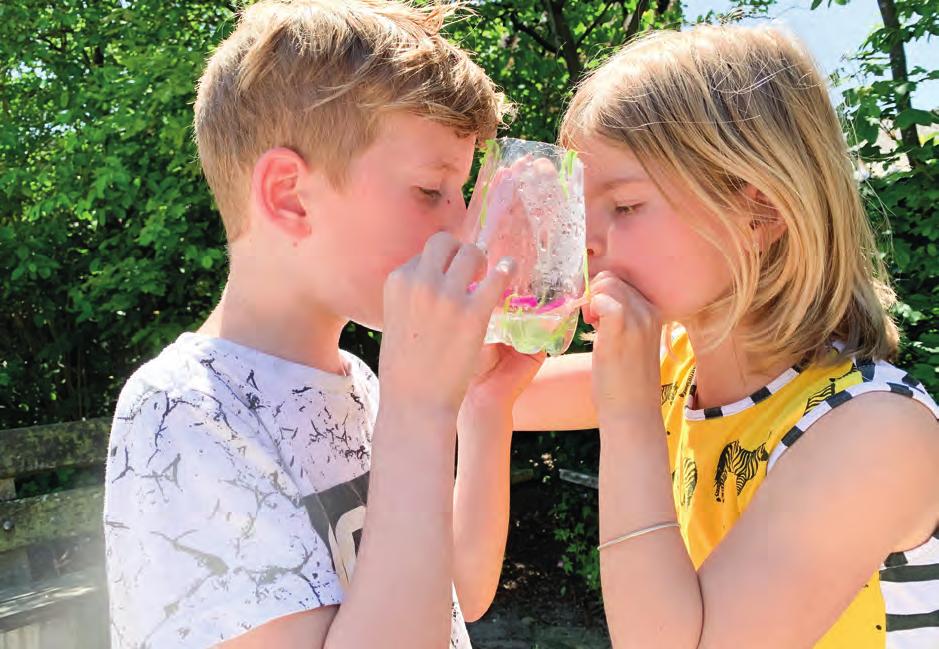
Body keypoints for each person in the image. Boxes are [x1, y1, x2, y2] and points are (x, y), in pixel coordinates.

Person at [103, 2, 540, 647]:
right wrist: (419, 413)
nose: (463, 227)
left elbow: (461, 590)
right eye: (430, 191)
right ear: (289, 196)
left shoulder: (358, 384)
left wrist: (485, 406)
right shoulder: (182, 415)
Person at [511, 24, 939, 648]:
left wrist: (628, 410)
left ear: (760, 213)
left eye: (624, 206)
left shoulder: (872, 431)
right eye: (582, 209)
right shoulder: (677, 366)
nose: (587, 241)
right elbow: (488, 395)